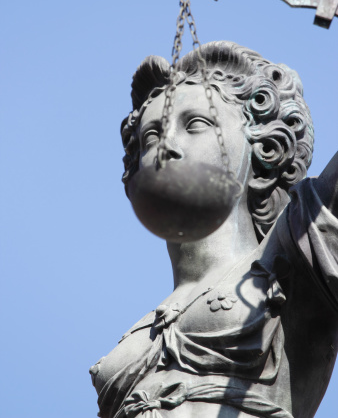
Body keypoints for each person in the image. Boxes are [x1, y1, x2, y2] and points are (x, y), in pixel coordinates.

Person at [90, 41, 338, 418]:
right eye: (150, 136)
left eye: (195, 124)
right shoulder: (142, 327)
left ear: (263, 145)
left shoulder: (292, 251)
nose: (166, 145)